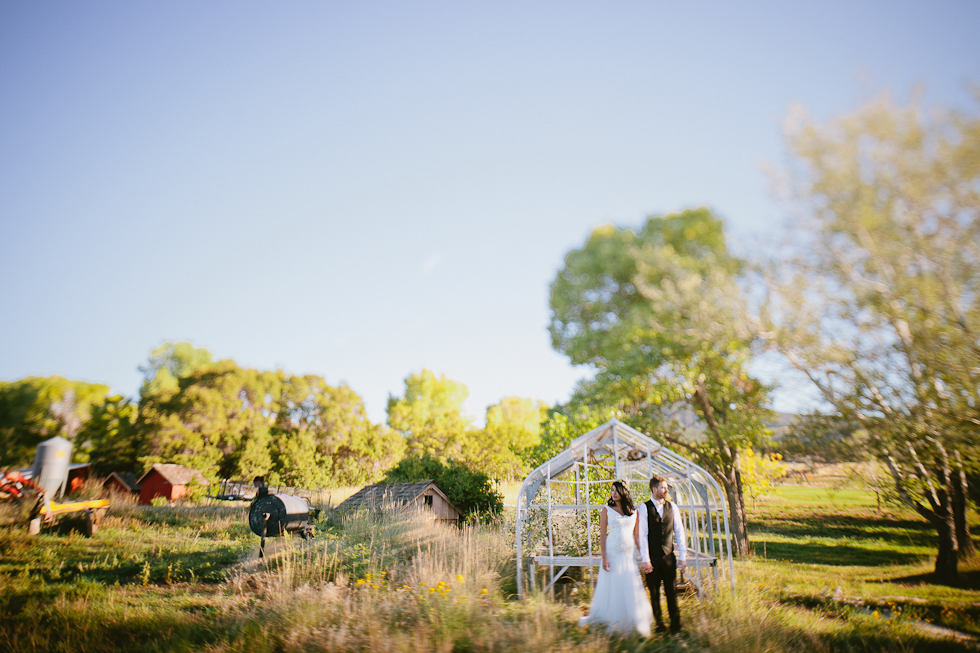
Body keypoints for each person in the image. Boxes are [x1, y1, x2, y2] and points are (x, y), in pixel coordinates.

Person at [579, 480, 654, 636]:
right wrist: (604, 557)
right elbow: (602, 535)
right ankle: (611, 619)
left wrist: (644, 556)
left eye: (616, 490)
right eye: (612, 490)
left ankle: (631, 620)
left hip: (628, 553)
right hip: (612, 552)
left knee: (628, 584)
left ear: (623, 492)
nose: (613, 493)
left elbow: (637, 536)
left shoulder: (634, 511)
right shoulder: (606, 510)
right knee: (613, 585)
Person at [638, 475, 687, 635]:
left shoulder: (673, 507)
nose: (666, 490)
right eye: (663, 488)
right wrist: (645, 560)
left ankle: (676, 626)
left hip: (668, 558)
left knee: (671, 592)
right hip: (651, 559)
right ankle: (659, 625)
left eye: (666, 488)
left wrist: (682, 556)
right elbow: (642, 535)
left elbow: (679, 532)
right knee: (653, 593)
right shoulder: (644, 508)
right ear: (654, 489)